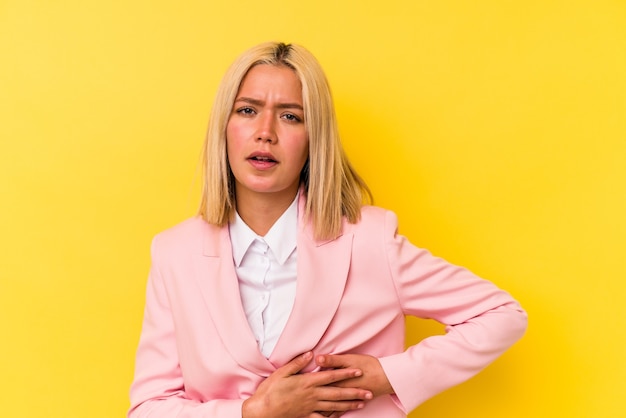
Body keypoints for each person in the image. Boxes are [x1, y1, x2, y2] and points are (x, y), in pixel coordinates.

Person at [128, 42, 527, 418]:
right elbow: (148, 408)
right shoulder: (174, 253)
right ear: (224, 126)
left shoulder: (369, 240)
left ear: (313, 138)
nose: (265, 131)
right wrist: (254, 412)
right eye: (248, 110)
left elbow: (501, 315)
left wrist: (389, 376)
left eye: (290, 116)